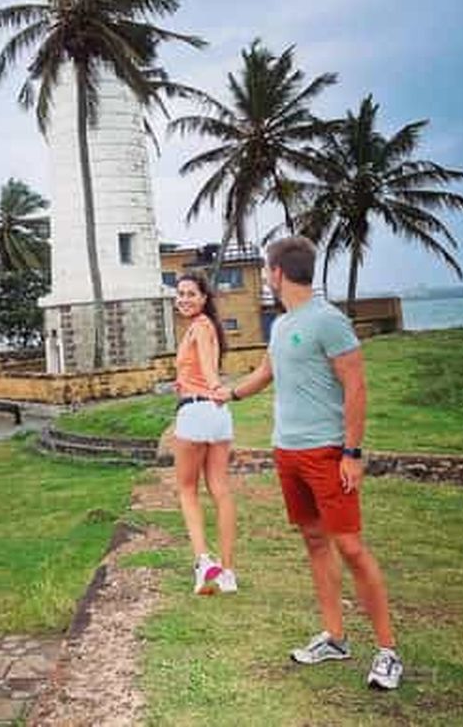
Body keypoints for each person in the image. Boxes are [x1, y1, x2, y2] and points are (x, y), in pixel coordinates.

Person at [214, 237, 403, 690]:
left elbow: (356, 386)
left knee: (351, 548)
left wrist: (352, 452)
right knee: (315, 542)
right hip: (288, 451)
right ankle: (335, 637)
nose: (266, 275)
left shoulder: (328, 321)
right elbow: (267, 372)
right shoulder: (282, 326)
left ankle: (388, 651)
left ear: (277, 272)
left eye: (266, 269)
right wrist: (230, 393)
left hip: (326, 452)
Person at [173, 272, 237, 595]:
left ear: (204, 298)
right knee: (220, 490)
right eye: (180, 293)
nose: (183, 299)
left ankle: (203, 559)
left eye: (190, 294)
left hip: (197, 410)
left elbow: (209, 370)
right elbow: (204, 366)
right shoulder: (209, 327)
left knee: (186, 489)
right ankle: (227, 572)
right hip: (217, 415)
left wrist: (213, 386)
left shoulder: (198, 327)